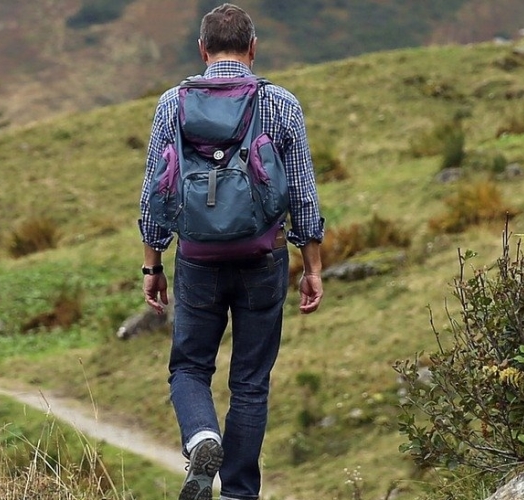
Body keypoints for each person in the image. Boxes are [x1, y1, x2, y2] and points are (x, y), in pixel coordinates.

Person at [137, 4, 325, 499]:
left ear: (202, 50)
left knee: (189, 367)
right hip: (263, 256)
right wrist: (312, 267)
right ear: (252, 48)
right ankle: (240, 492)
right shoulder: (281, 103)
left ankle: (201, 437)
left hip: (198, 258)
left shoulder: (170, 104)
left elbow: (155, 193)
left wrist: (152, 263)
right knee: (250, 382)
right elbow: (303, 194)